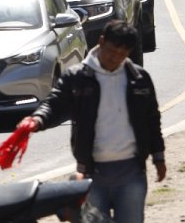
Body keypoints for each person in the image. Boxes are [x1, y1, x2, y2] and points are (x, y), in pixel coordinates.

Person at [17, 20, 166, 223]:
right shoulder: (77, 77)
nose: (115, 59)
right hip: (92, 175)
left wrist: (158, 157)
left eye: (122, 55)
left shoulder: (139, 79)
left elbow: (152, 118)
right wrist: (37, 119)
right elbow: (55, 103)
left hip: (132, 172)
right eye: (112, 51)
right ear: (101, 41)